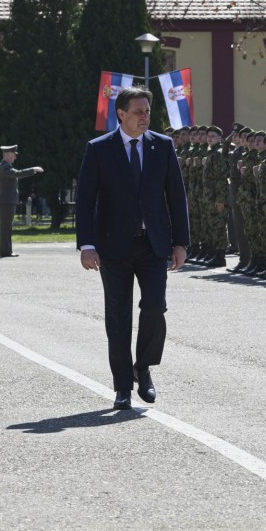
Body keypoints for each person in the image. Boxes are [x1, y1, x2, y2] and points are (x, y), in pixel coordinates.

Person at [76, 87, 190, 410]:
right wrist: (87, 245)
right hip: (113, 246)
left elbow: (176, 196)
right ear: (121, 115)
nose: (145, 116)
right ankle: (123, 386)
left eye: (147, 111)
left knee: (155, 307)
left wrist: (180, 242)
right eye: (138, 111)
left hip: (153, 245)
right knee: (118, 318)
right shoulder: (99, 149)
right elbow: (86, 200)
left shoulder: (162, 146)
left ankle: (144, 366)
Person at [0, 145, 44, 258]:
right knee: (6, 228)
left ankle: (7, 251)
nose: (15, 157)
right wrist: (33, 169)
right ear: (7, 154)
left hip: (7, 201)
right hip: (6, 201)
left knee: (7, 228)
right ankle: (5, 251)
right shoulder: (5, 167)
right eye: (13, 155)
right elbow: (18, 173)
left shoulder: (5, 166)